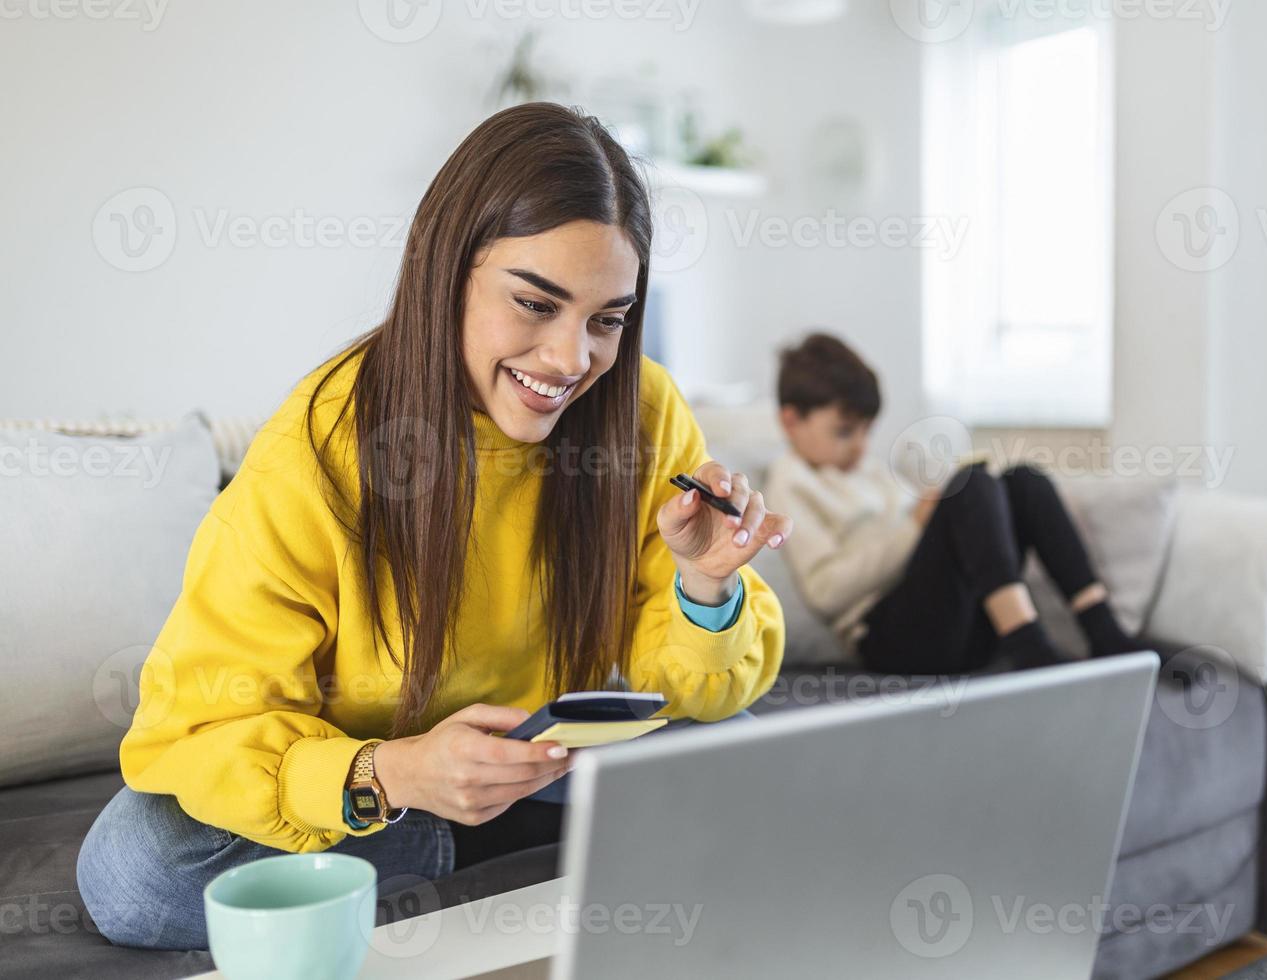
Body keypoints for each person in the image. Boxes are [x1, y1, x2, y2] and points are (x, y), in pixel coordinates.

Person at [75, 102, 793, 951]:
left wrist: (705, 584)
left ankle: (478, 844)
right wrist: (395, 771)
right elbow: (196, 728)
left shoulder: (638, 410)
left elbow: (689, 685)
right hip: (379, 787)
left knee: (754, 757)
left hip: (549, 762)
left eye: (607, 320)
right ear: (444, 270)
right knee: (137, 864)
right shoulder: (319, 442)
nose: (572, 360)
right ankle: (472, 845)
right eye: (534, 303)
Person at [764, 333, 1136, 676]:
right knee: (969, 484)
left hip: (956, 624)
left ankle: (1104, 631)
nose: (860, 445)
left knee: (1023, 481)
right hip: (891, 638)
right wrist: (917, 525)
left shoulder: (869, 470)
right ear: (791, 420)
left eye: (866, 431)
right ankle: (1028, 645)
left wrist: (936, 512)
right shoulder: (790, 484)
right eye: (844, 432)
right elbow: (825, 592)